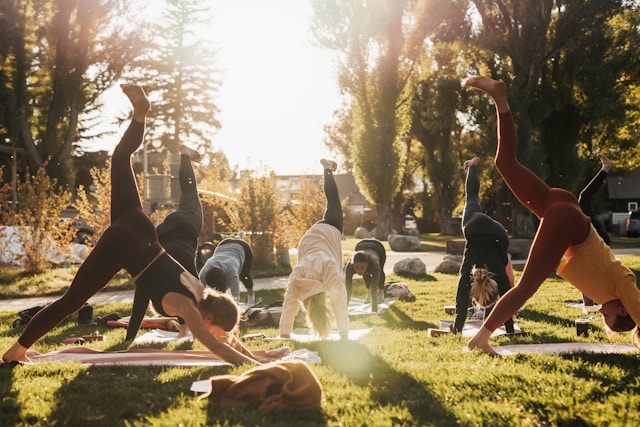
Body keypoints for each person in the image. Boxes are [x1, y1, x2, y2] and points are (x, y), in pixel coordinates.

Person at [2, 84, 259, 365]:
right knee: (71, 301)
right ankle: (15, 351)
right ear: (209, 318)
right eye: (214, 328)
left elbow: (225, 338)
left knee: (121, 158)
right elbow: (216, 345)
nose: (213, 333)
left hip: (140, 226)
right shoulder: (189, 307)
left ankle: (139, 117)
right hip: (125, 246)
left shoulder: (200, 290)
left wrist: (259, 357)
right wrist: (258, 365)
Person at [463, 76, 640, 354]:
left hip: (562, 206)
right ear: (622, 308)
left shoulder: (613, 287)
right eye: (609, 316)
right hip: (568, 223)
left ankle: (500, 99)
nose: (601, 314)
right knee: (525, 287)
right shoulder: (623, 284)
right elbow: (637, 306)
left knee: (505, 163)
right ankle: (480, 339)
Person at [126, 144, 203, 342]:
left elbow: (139, 305)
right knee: (189, 192)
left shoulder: (160, 275)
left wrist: (129, 339)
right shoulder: (158, 274)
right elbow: (196, 302)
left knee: (189, 191)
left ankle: (184, 155)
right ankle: (185, 155)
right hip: (166, 237)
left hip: (173, 234)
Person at [278, 159, 349, 339]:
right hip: (306, 242)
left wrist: (344, 334)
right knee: (331, 202)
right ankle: (327, 169)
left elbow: (339, 302)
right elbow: (288, 307)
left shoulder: (327, 270)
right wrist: (284, 334)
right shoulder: (297, 277)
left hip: (328, 231)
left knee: (333, 201)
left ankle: (327, 169)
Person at [453, 157, 515, 334]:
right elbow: (461, 300)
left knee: (472, 197)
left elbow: (507, 303)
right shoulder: (468, 272)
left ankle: (473, 166)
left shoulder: (500, 275)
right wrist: (509, 331)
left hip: (499, 233)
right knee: (471, 198)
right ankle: (472, 166)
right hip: (474, 227)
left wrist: (458, 330)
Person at [577, 153, 614, 307]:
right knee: (586, 274)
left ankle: (590, 305)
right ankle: (590, 304)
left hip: (598, 239)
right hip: (597, 239)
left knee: (584, 197)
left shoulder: (579, 218)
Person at [198, 237, 255, 304]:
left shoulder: (232, 273)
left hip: (243, 248)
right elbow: (198, 293)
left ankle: (251, 298)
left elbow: (236, 297)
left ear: (223, 280)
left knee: (244, 276)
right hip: (223, 244)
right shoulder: (204, 273)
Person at [344, 238, 387, 304]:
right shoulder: (349, 267)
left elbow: (374, 285)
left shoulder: (374, 263)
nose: (359, 271)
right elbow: (348, 287)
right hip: (360, 244)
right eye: (357, 267)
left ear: (367, 264)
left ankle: (381, 293)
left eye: (362, 267)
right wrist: (345, 305)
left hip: (378, 247)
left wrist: (374, 309)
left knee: (380, 271)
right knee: (365, 273)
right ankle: (369, 293)